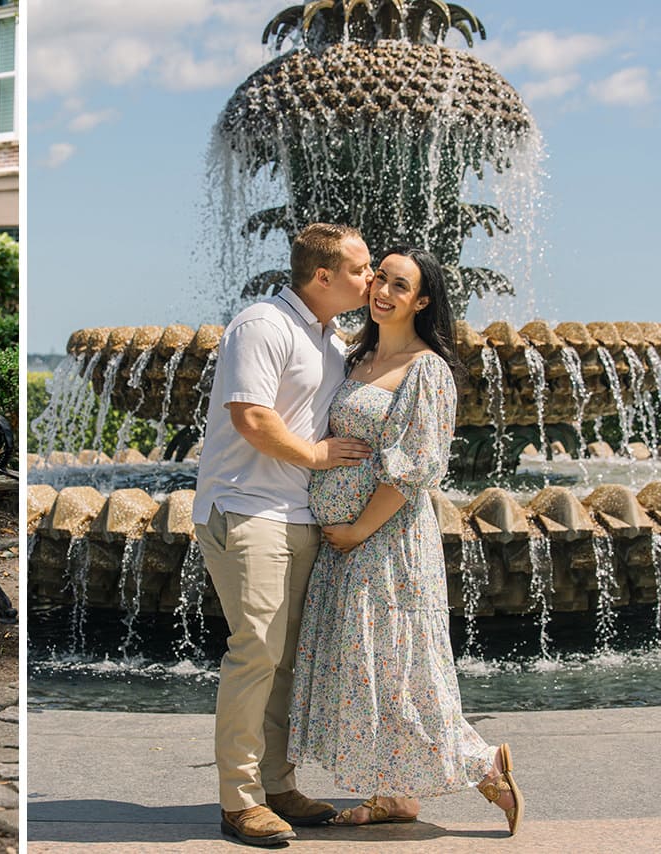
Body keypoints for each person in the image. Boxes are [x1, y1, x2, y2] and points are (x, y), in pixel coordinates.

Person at [288, 246, 524, 834]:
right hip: (348, 545)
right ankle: (392, 794)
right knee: (368, 669)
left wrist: (357, 529)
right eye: (380, 279)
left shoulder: (427, 369)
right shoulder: (357, 357)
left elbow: (415, 468)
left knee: (401, 669)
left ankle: (482, 764)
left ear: (421, 301)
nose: (383, 292)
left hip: (385, 543)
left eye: (400, 285)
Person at [193, 223, 375, 846]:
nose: (370, 278)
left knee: (285, 659)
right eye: (360, 269)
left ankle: (277, 784)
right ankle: (238, 800)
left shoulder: (328, 338)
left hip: (298, 516)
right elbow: (251, 416)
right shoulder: (262, 324)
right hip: (247, 510)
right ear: (322, 277)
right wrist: (320, 458)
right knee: (257, 652)